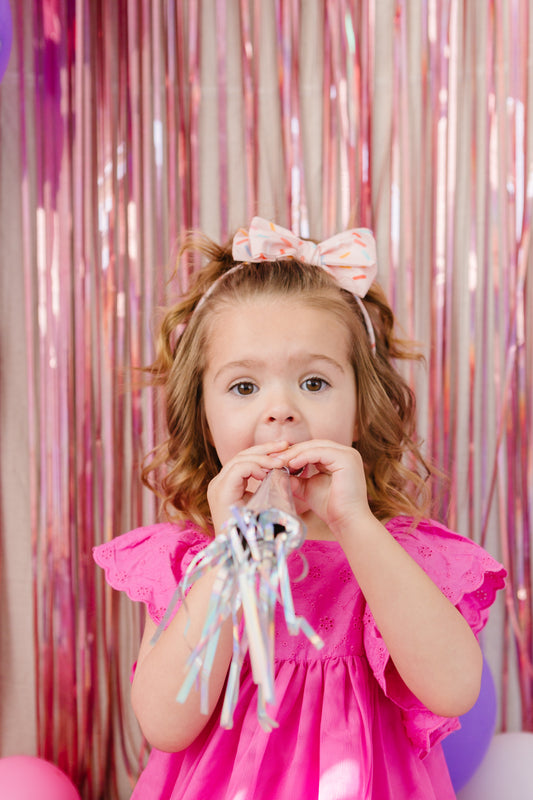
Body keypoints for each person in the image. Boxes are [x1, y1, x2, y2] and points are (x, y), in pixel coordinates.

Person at [94, 217, 506, 800]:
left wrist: (356, 524)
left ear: (361, 408)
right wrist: (230, 552)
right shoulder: (191, 558)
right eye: (244, 388)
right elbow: (165, 723)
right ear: (205, 419)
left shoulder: (399, 553)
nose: (281, 409)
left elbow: (453, 689)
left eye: (314, 383)